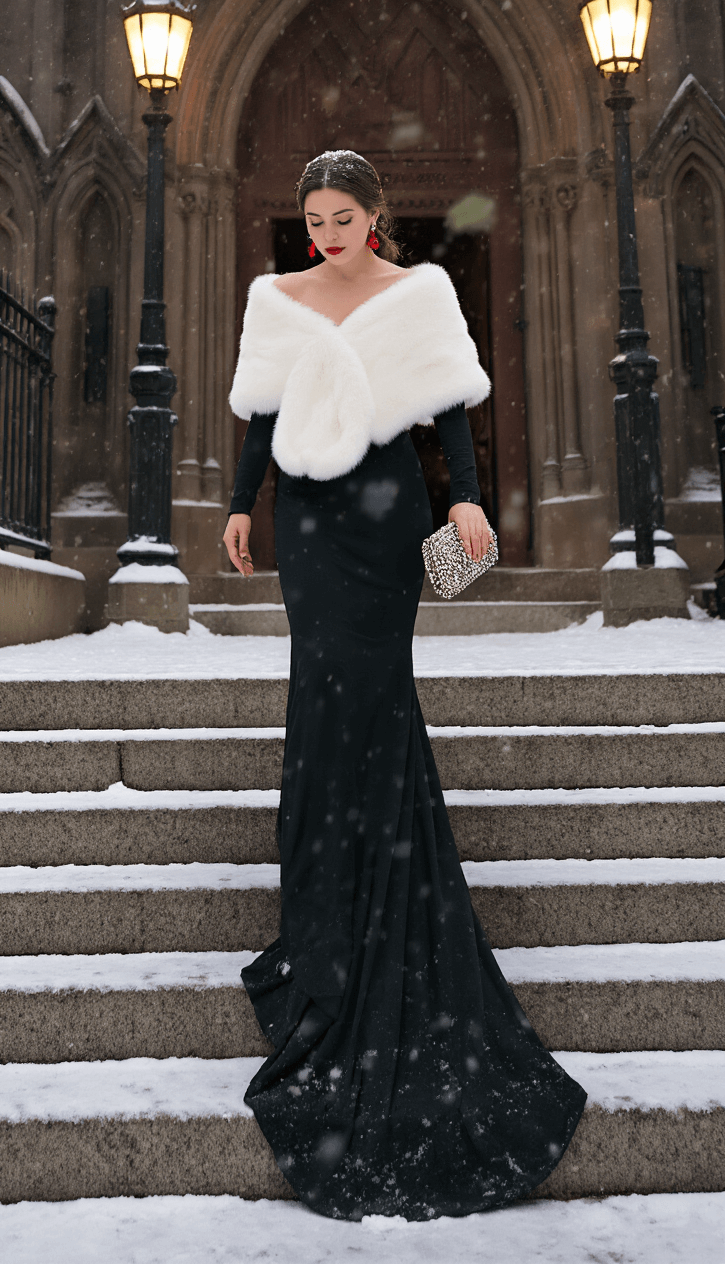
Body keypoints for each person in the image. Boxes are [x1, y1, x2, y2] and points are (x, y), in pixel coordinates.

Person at [223, 150, 586, 1222]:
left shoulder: (418, 293)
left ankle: (383, 918)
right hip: (309, 526)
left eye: (344, 217)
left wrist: (466, 501)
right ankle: (328, 924)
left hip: (385, 518)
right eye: (314, 220)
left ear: (376, 216)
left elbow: (451, 415)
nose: (326, 235)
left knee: (375, 701)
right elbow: (261, 418)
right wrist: (240, 504)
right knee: (320, 705)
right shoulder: (277, 301)